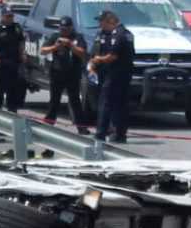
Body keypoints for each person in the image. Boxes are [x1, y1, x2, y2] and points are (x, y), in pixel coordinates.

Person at [89, 9, 134, 143]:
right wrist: (93, 63)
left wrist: (98, 60)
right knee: (117, 104)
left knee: (107, 103)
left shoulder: (121, 34)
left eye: (102, 22)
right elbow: (96, 50)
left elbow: (112, 56)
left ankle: (101, 133)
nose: (100, 25)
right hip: (109, 74)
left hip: (117, 74)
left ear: (110, 21)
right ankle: (118, 134)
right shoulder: (104, 34)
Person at [41, 16, 89, 132]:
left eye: (66, 29)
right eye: (62, 29)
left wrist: (71, 45)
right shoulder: (55, 37)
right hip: (57, 72)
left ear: (71, 28)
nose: (64, 31)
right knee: (54, 100)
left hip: (72, 73)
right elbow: (43, 50)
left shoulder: (78, 37)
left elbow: (83, 53)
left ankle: (81, 127)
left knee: (75, 100)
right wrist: (56, 46)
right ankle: (49, 123)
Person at [0, 6, 26, 112]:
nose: (10, 18)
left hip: (14, 62)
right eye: (7, 16)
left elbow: (21, 41)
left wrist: (22, 54)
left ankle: (12, 111)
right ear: (2, 16)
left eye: (11, 16)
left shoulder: (16, 27)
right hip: (0, 62)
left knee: (13, 90)